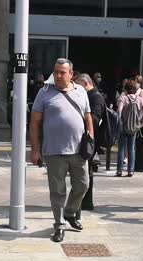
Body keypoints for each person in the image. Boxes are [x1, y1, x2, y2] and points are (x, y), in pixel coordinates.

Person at [30, 58, 94, 243]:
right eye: (55, 72)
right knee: (57, 191)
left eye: (62, 72)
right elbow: (34, 123)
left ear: (71, 74)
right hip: (54, 151)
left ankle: (70, 212)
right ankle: (59, 226)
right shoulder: (44, 93)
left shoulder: (81, 91)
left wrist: (91, 137)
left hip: (78, 151)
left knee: (83, 185)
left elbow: (88, 116)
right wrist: (35, 150)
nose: (57, 75)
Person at [74, 73, 105, 211]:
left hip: (91, 139)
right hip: (89, 138)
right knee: (86, 170)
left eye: (79, 85)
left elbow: (94, 118)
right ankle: (84, 201)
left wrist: (80, 119)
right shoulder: (91, 96)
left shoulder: (95, 97)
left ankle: (86, 202)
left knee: (87, 171)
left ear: (86, 84)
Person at [116, 80, 142, 177]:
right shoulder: (139, 99)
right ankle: (130, 170)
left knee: (121, 148)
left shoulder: (123, 98)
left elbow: (119, 111)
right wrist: (140, 122)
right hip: (134, 126)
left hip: (123, 126)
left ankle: (119, 170)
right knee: (131, 148)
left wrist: (119, 121)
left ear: (125, 89)